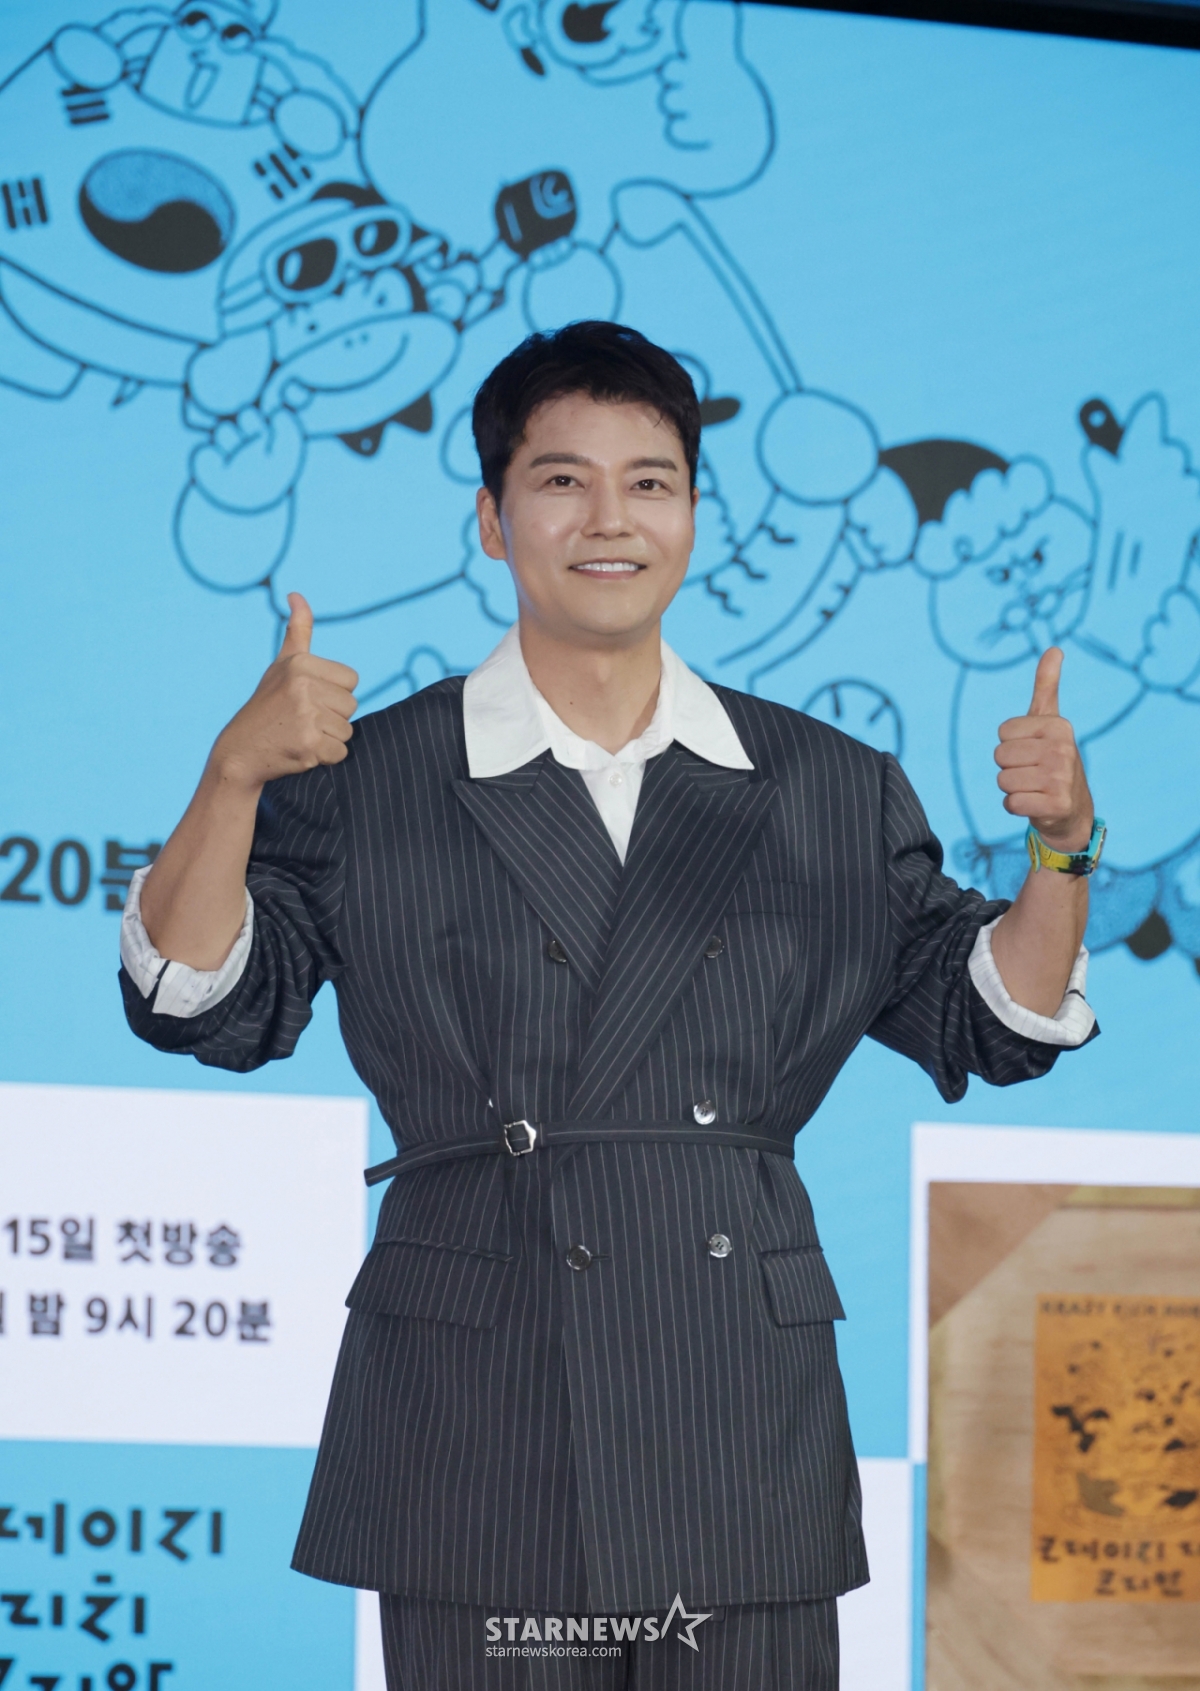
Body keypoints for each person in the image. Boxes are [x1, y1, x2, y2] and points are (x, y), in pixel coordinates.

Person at [119, 320, 1100, 1689]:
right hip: (480, 1396)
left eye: (650, 482)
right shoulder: (366, 775)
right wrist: (232, 776)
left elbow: (987, 1019)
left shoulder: (826, 783)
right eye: (562, 480)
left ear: (693, 513)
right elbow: (201, 1002)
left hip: (733, 1404)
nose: (609, 519)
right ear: (492, 516)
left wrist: (1062, 851)